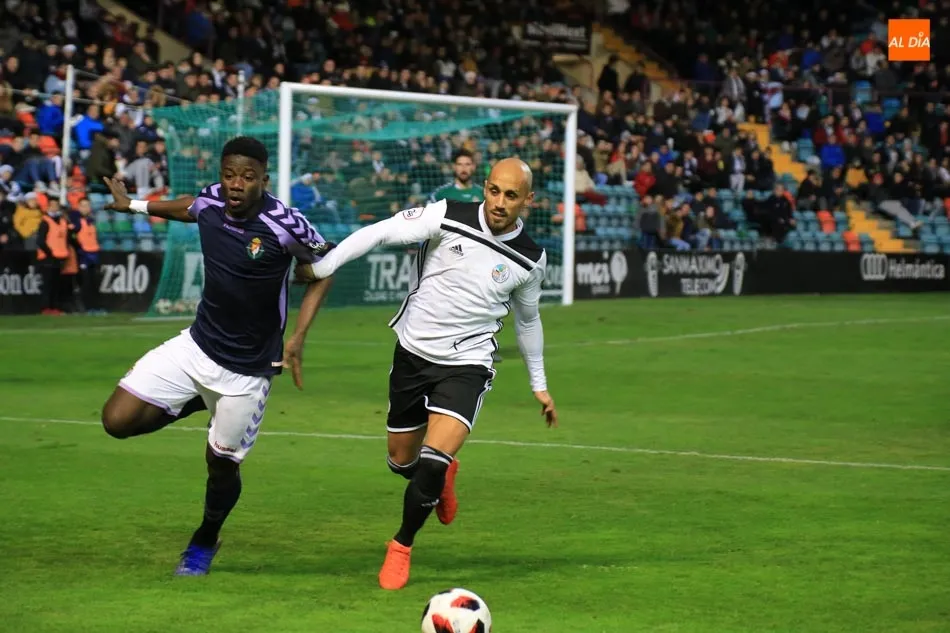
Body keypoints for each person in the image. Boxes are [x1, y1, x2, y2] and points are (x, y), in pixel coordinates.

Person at [297, 157, 558, 591]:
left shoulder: (531, 259)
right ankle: (440, 478)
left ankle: (401, 545)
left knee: (432, 462)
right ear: (484, 188)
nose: (499, 202)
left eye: (511, 196)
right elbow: (378, 232)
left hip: (468, 364)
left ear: (527, 201)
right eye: (494, 190)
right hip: (413, 354)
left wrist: (539, 384)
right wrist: (324, 267)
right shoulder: (445, 215)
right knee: (403, 461)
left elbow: (528, 321)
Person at [99, 137, 335, 576]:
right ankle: (195, 402)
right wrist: (132, 205)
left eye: (247, 177)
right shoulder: (211, 198)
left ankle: (204, 540)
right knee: (115, 420)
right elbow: (189, 206)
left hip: (247, 371)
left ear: (263, 179)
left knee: (220, 466)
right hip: (197, 346)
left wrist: (298, 337)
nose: (235, 185)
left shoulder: (286, 223)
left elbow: (325, 265)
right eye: (229, 175)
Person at [428, 149, 504, 363]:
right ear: (454, 167)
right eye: (460, 164)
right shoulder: (441, 195)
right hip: (449, 259)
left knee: (484, 301)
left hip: (479, 258)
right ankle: (442, 346)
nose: (463, 168)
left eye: (467, 164)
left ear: (473, 167)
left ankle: (483, 346)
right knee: (448, 303)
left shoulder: (484, 194)